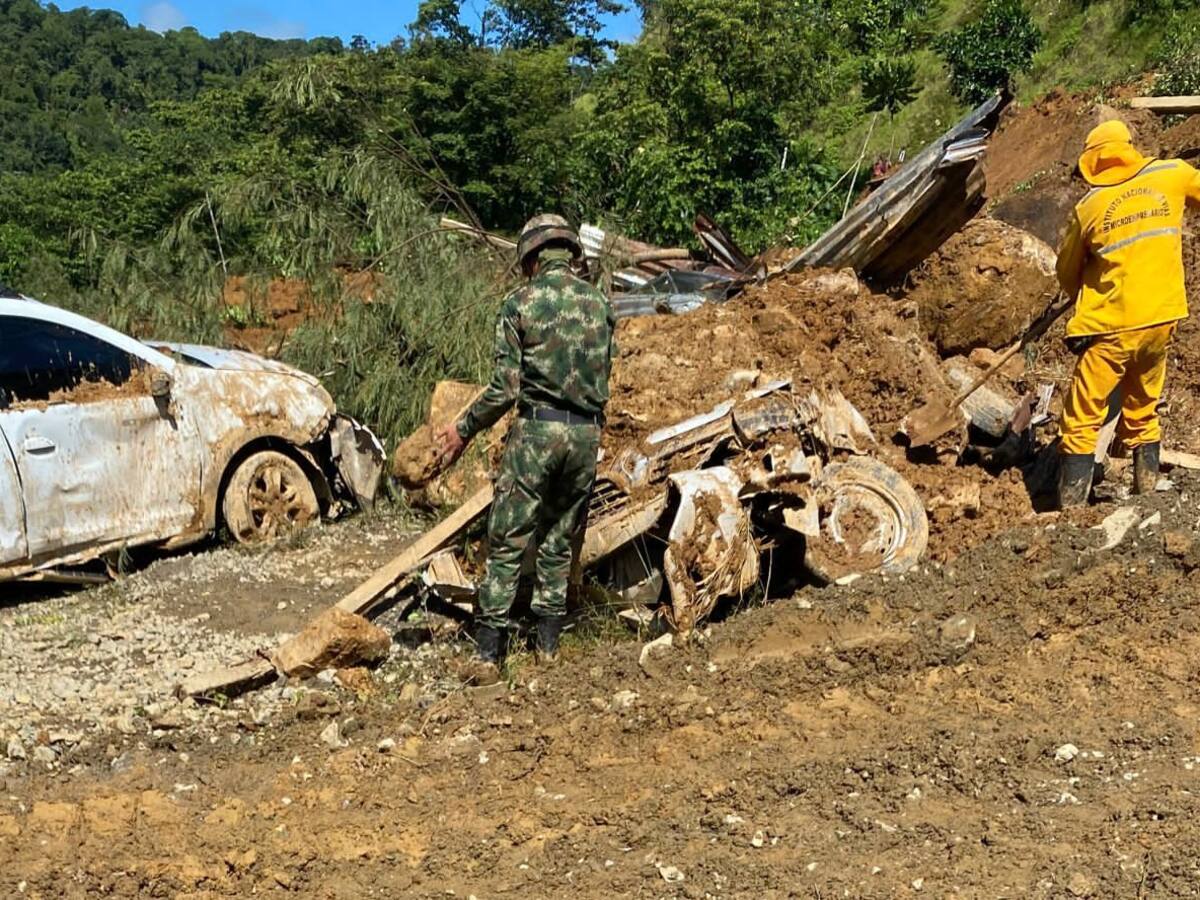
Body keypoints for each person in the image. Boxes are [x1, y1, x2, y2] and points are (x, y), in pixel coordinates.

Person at [436, 214, 614, 684]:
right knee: (559, 539)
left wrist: (463, 429)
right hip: (585, 437)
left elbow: (505, 388)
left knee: (509, 539)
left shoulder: (520, 303)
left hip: (537, 435)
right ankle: (549, 647)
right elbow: (603, 380)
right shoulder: (600, 304)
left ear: (532, 258)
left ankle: (489, 653)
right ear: (568, 252)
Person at [1054, 119, 1200, 508]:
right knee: (1142, 405)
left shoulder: (1089, 208)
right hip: (1161, 320)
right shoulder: (1173, 174)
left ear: (1093, 163)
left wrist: (1089, 288)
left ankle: (1069, 511)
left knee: (1082, 416)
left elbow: (1066, 273)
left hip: (1110, 329)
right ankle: (1146, 494)